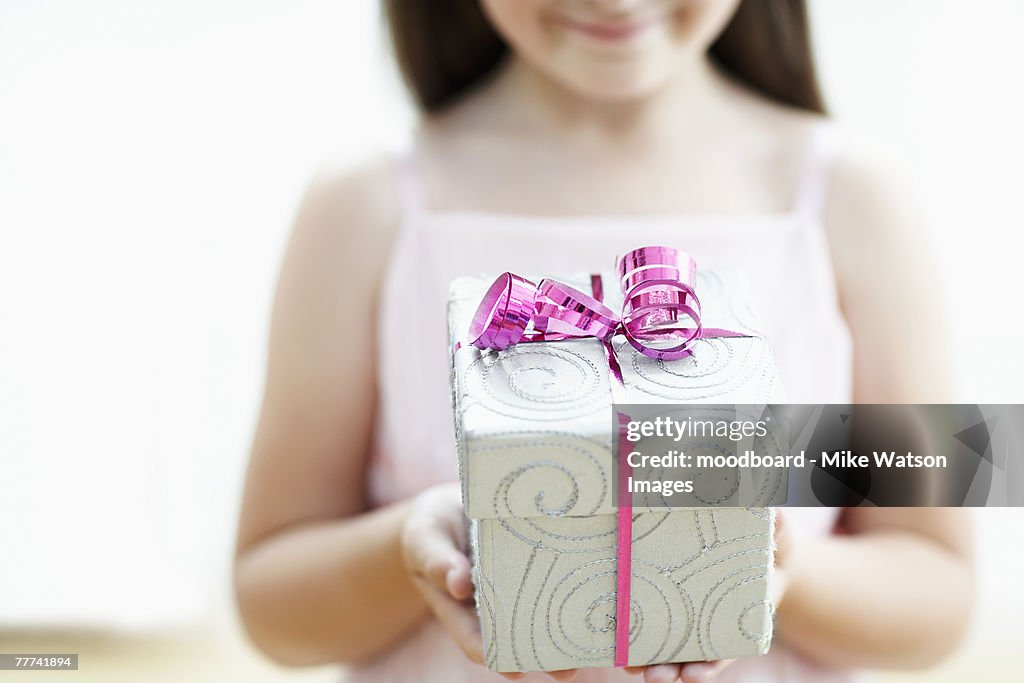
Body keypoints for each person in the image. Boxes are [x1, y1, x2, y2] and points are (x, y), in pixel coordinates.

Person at [233, 1, 974, 681]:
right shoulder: (367, 204)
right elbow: (270, 601)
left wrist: (769, 560)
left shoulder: (854, 199)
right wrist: (421, 544)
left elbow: (941, 587)